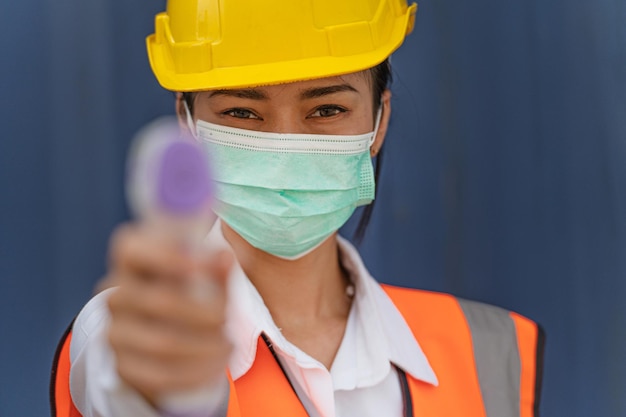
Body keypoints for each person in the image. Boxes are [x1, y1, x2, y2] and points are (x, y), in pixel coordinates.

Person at [51, 1, 545, 416]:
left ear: (380, 121)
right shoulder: (125, 331)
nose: (285, 146)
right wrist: (166, 387)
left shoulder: (489, 349)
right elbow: (126, 386)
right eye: (242, 113)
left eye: (326, 109)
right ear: (188, 124)